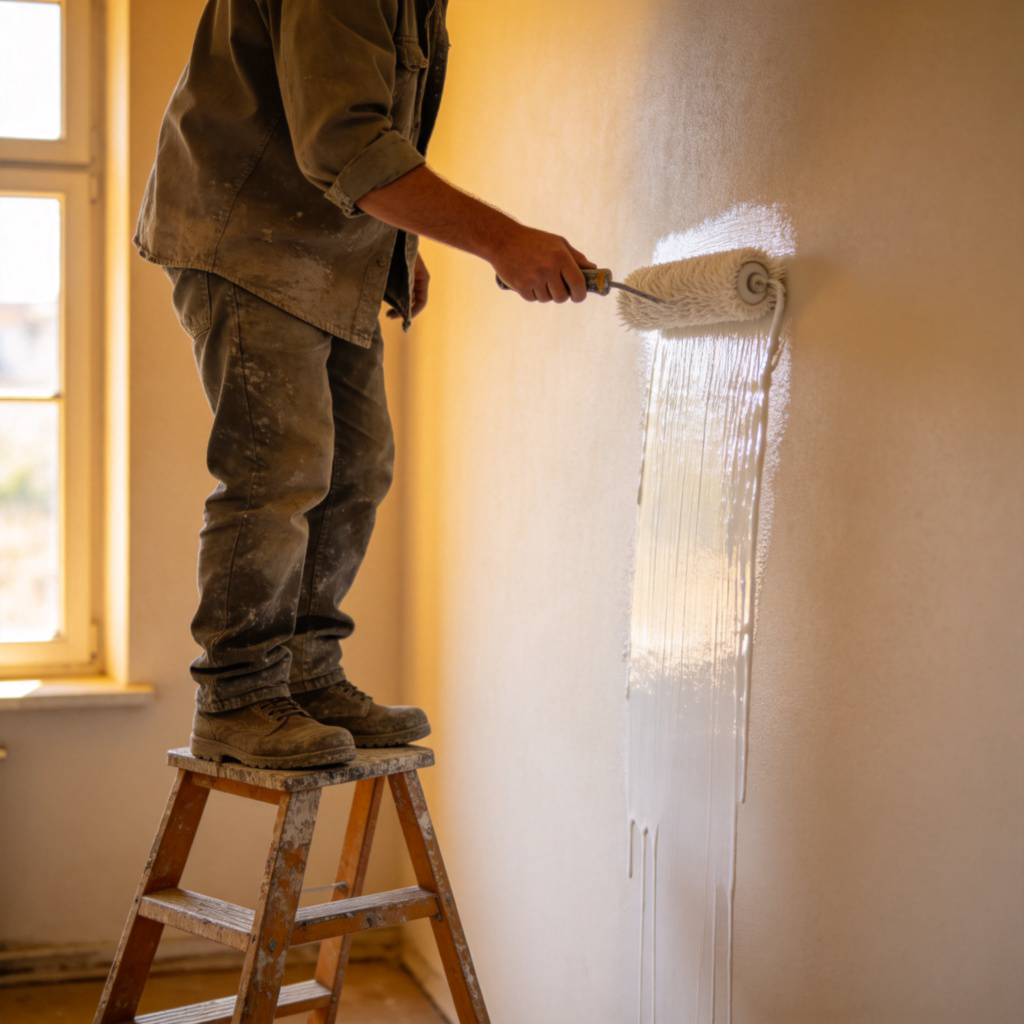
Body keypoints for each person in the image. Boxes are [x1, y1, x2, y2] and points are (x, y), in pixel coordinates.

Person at [135, 0, 594, 770]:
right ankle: (239, 695)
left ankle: (306, 675)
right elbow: (344, 140)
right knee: (278, 469)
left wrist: (397, 245)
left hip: (330, 248)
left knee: (358, 468)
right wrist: (503, 241)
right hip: (248, 235)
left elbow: (383, 128)